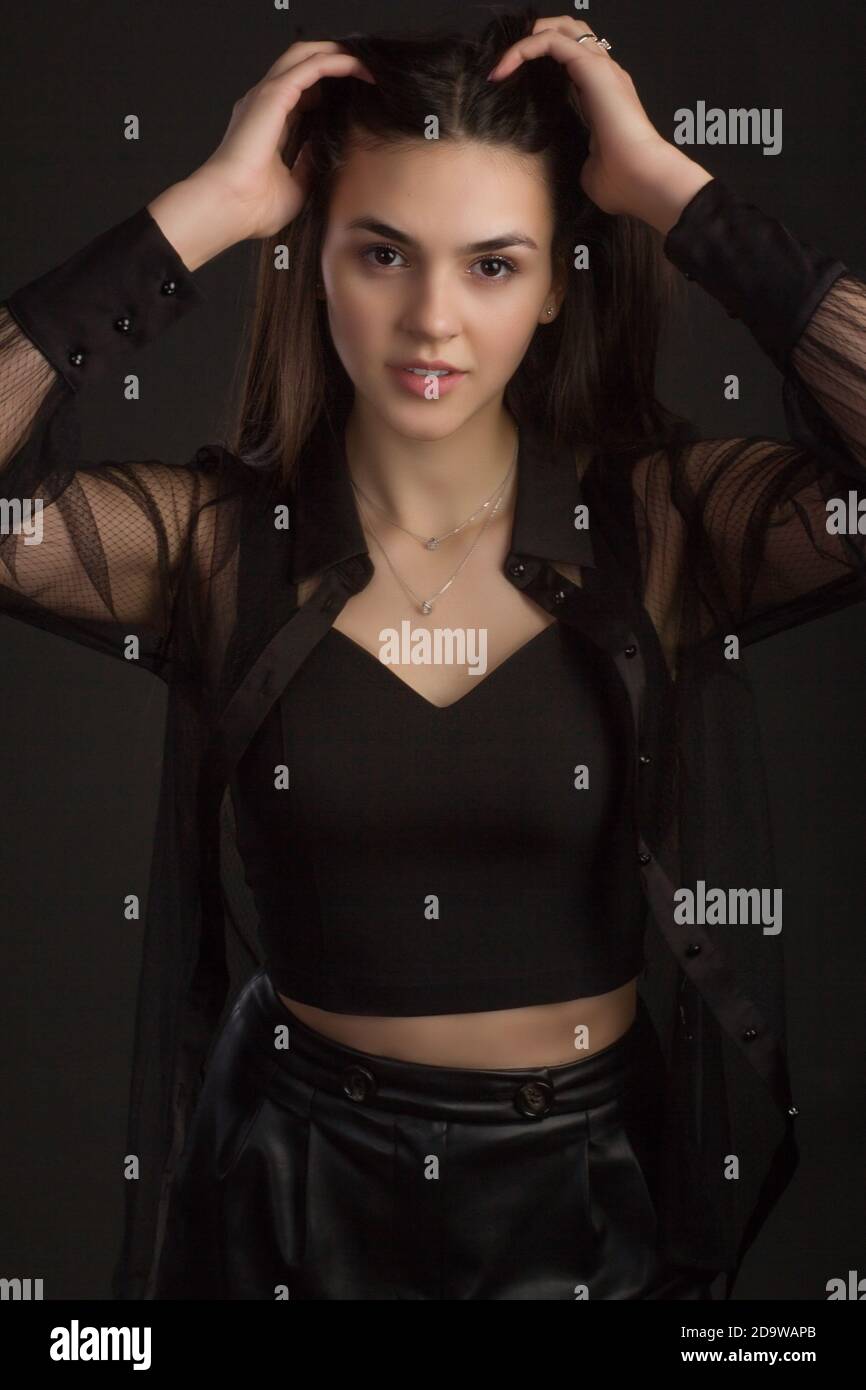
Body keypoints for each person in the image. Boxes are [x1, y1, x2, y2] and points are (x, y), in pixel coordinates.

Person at [1, 9, 864, 1300]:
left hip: (585, 1203)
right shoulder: (213, 545)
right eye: (382, 253)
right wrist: (198, 212)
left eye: (494, 264)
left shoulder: (658, 527)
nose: (432, 320)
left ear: (561, 278)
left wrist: (676, 197)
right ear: (313, 257)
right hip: (283, 1193)